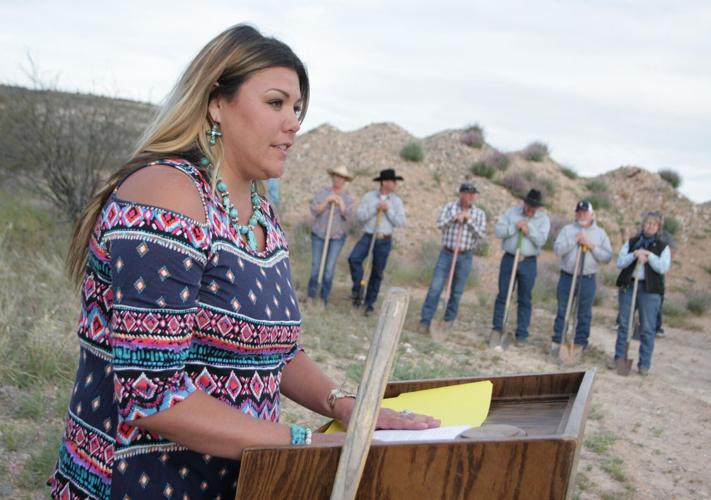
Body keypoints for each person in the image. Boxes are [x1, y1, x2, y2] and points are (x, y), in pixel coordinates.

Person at [49, 25, 437, 500]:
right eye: (276, 103)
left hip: (231, 481)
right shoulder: (167, 197)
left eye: (297, 108)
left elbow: (277, 351)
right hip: (140, 483)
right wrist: (305, 444)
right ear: (216, 102)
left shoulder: (260, 215)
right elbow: (152, 396)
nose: (293, 122)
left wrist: (345, 405)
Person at [418, 182, 486, 334]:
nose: (471, 197)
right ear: (461, 194)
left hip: (465, 255)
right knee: (435, 287)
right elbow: (440, 225)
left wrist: (469, 221)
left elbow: (480, 234)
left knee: (457, 291)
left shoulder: (479, 214)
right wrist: (455, 219)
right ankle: (425, 320)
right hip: (447, 253)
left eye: (473, 194)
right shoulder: (449, 208)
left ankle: (447, 321)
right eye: (468, 193)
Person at [608, 212, 671, 376]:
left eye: (654, 224)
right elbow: (620, 262)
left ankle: (644, 364)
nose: (650, 226)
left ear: (658, 228)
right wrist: (634, 254)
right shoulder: (632, 242)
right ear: (643, 224)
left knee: (648, 328)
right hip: (629, 287)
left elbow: (663, 267)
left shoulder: (663, 247)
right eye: (648, 223)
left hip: (650, 291)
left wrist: (649, 256)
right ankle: (619, 358)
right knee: (624, 324)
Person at [550, 201, 612, 360]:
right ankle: (558, 342)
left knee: (584, 314)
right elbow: (557, 250)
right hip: (567, 277)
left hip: (588, 278)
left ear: (592, 214)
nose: (582, 215)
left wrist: (590, 245)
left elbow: (607, 257)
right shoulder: (567, 230)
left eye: (585, 212)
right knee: (563, 310)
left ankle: (579, 345)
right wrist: (574, 240)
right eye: (579, 212)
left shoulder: (600, 234)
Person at [489, 189, 550, 348]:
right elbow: (498, 231)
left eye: (533, 207)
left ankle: (521, 334)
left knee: (524, 298)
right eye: (528, 205)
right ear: (524, 202)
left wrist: (529, 230)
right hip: (509, 258)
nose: (530, 209)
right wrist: (514, 227)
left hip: (528, 262)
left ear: (538, 208)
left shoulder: (543, 220)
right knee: (503, 295)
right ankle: (497, 329)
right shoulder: (511, 213)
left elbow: (541, 241)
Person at [348, 168, 406, 316]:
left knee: (377, 272)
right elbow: (360, 217)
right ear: (384, 182)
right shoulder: (368, 197)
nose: (394, 184)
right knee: (354, 259)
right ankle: (358, 290)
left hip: (384, 239)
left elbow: (400, 222)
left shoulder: (397, 202)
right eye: (393, 181)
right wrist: (375, 209)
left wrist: (388, 211)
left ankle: (368, 304)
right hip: (368, 235)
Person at [307, 165, 354, 306]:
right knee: (316, 266)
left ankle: (323, 298)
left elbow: (350, 218)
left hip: (336, 237)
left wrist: (341, 205)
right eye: (336, 176)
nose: (338, 179)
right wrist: (327, 201)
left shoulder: (347, 198)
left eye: (342, 178)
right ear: (332, 177)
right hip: (318, 234)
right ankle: (311, 295)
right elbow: (314, 210)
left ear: (345, 180)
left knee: (329, 269)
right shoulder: (323, 192)